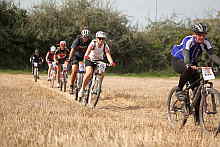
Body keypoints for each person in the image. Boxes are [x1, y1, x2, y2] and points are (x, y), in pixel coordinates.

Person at [171, 23, 220, 123]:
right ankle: (179, 90)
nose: (202, 37)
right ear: (194, 34)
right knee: (188, 69)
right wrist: (189, 64)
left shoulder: (206, 42)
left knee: (198, 90)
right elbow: (186, 55)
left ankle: (198, 120)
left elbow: (212, 56)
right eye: (199, 35)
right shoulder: (188, 40)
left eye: (204, 35)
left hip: (192, 62)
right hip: (178, 60)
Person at [78, 31, 116, 99]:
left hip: (99, 60)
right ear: (96, 38)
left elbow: (108, 54)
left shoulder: (105, 46)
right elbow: (87, 51)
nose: (101, 40)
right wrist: (86, 56)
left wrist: (111, 62)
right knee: (89, 73)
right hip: (90, 59)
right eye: (99, 38)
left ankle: (98, 86)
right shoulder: (93, 43)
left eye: (103, 39)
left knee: (102, 72)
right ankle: (82, 89)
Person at [68, 28, 92, 94]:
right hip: (76, 56)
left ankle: (87, 86)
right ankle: (71, 86)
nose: (85, 38)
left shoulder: (90, 41)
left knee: (88, 71)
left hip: (85, 57)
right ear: (82, 36)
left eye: (87, 37)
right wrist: (70, 57)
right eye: (84, 37)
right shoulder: (77, 40)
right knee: (74, 70)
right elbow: (72, 49)